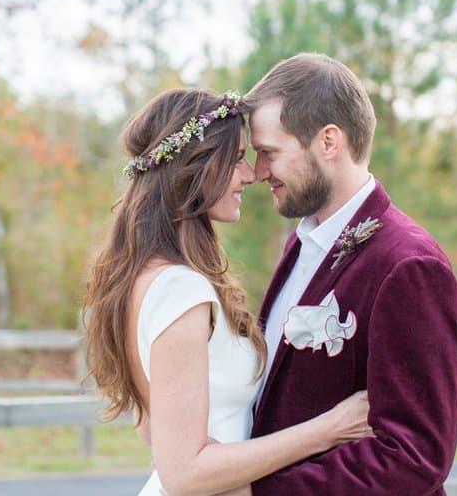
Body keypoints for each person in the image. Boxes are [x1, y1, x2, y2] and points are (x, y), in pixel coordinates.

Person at [82, 88, 373, 496]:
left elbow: (153, 431)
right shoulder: (180, 289)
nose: (251, 174)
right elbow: (183, 474)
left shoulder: (146, 275)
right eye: (236, 159)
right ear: (194, 166)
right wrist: (328, 430)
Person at [245, 53, 457, 495]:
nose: (258, 173)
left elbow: (413, 456)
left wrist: (260, 493)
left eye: (269, 153)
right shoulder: (300, 242)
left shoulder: (409, 266)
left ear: (329, 142)